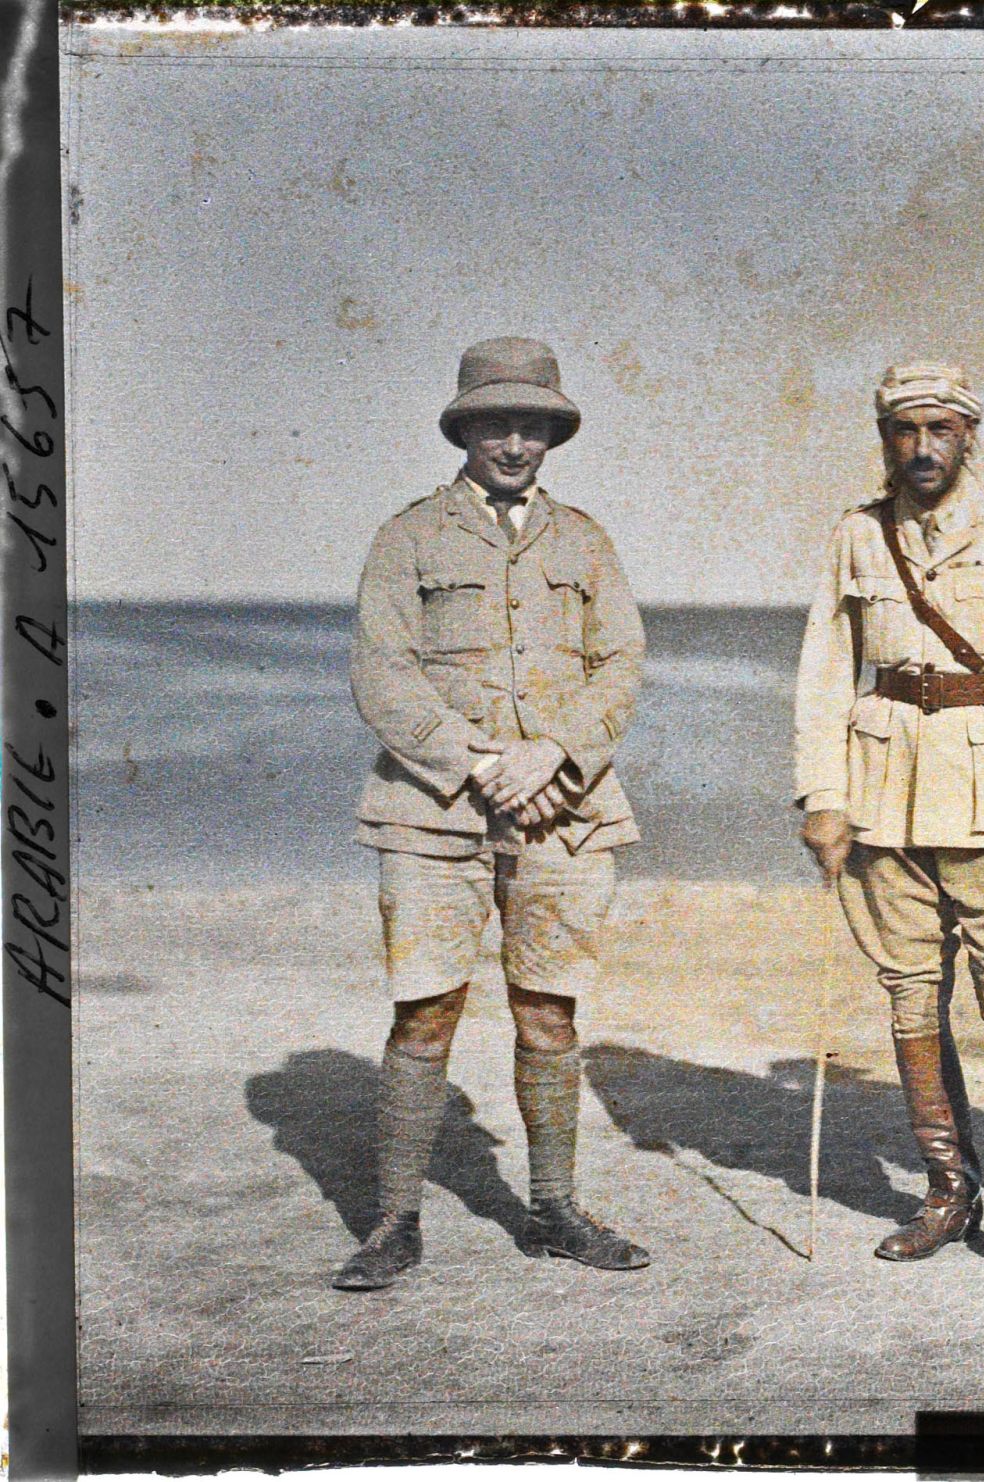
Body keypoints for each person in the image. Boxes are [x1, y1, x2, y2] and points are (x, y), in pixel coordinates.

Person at [336, 336, 650, 1290]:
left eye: (532, 426)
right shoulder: (408, 537)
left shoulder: (585, 540)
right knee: (425, 1012)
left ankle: (553, 1210)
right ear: (465, 429)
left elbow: (620, 665)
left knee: (548, 1011)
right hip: (431, 812)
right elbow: (380, 674)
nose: (514, 443)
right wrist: (478, 762)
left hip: (563, 808)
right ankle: (395, 1222)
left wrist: (553, 752)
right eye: (495, 424)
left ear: (552, 434)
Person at [793, 363, 984, 1291]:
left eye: (940, 429)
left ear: (971, 434)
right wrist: (823, 794)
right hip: (884, 797)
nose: (921, 448)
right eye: (903, 430)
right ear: (884, 437)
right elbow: (824, 668)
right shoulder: (857, 533)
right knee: (910, 996)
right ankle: (946, 1192)